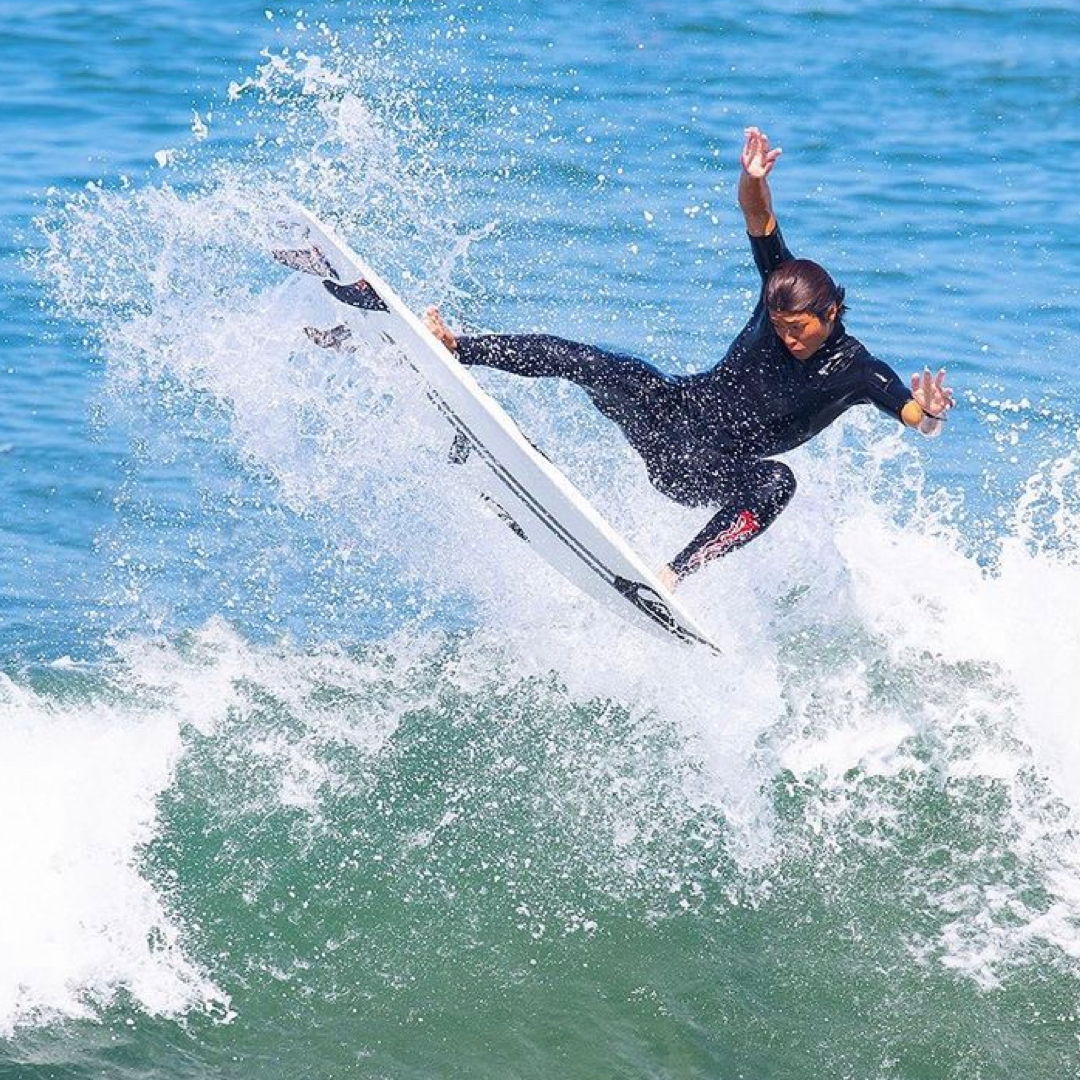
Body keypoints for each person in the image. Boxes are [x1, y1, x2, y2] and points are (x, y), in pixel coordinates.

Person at [424, 127, 955, 592]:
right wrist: (751, 177)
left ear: (831, 312)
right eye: (778, 327)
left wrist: (930, 413)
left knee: (777, 484)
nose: (787, 338)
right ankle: (458, 347)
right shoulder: (778, 282)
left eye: (798, 329)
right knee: (603, 364)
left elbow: (916, 417)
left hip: (707, 471)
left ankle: (673, 574)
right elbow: (759, 215)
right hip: (671, 414)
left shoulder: (859, 371)